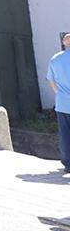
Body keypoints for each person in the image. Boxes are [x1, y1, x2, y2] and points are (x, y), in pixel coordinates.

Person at [49, 32, 70, 174]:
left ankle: (68, 163)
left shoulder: (55, 59)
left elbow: (51, 80)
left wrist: (59, 93)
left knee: (65, 134)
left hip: (62, 103)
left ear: (63, 43)